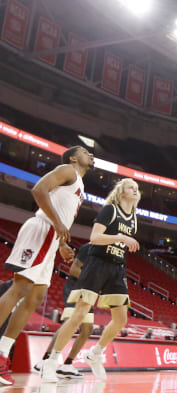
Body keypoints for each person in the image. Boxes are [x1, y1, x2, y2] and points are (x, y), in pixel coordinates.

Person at [0, 146, 93, 386]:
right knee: (19, 288)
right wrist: (58, 224)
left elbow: (61, 211)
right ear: (73, 157)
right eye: (84, 151)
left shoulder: (80, 185)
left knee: (35, 297)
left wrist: (61, 242)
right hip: (41, 230)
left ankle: (2, 353)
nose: (90, 155)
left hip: (51, 239)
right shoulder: (67, 170)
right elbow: (39, 190)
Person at [41, 178, 141, 383]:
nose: (135, 190)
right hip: (97, 265)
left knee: (121, 319)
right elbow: (95, 238)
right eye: (131, 187)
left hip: (117, 267)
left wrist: (122, 240)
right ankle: (51, 362)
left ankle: (95, 353)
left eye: (137, 188)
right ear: (121, 191)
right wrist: (121, 237)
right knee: (78, 316)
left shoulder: (134, 218)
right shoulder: (110, 210)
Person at [34, 244, 94, 378]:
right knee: (70, 323)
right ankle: (45, 361)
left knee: (87, 329)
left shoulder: (108, 253)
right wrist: (93, 281)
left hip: (89, 290)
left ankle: (67, 364)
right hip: (76, 286)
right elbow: (74, 269)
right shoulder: (89, 247)